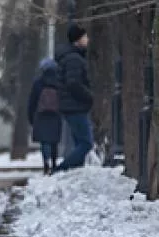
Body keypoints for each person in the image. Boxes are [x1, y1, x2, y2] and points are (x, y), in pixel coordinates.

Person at [54, 23, 93, 172]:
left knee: (79, 143)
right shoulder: (74, 59)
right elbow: (73, 83)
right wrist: (89, 96)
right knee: (86, 143)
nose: (87, 39)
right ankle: (60, 169)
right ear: (78, 39)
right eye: (85, 36)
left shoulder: (71, 57)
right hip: (75, 106)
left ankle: (76, 171)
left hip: (71, 105)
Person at [28, 58, 63, 175]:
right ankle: (54, 163)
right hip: (55, 115)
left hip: (41, 115)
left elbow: (32, 101)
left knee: (44, 141)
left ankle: (46, 163)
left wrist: (31, 116)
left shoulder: (38, 82)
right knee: (54, 141)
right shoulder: (59, 82)